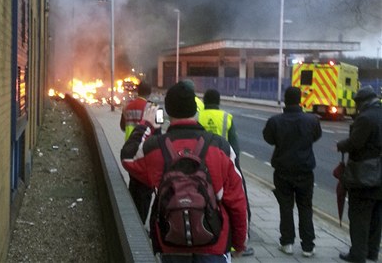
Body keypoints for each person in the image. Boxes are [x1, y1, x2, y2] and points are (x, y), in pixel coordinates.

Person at [121, 81, 248, 262]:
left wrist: (146, 124)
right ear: (196, 111)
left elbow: (128, 157)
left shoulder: (155, 148)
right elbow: (237, 202)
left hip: (170, 244)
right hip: (214, 246)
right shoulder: (221, 148)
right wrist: (240, 242)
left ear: (167, 113)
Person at [262, 86, 322, 258]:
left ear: (285, 100)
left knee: (285, 206)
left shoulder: (275, 121)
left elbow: (268, 138)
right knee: (305, 207)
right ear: (300, 100)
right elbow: (316, 136)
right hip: (305, 170)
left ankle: (287, 242)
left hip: (282, 170)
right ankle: (308, 246)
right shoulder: (312, 120)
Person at [198, 88, 254, 257]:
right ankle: (239, 240)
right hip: (223, 164)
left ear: (204, 101)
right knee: (237, 203)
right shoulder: (225, 118)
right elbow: (235, 148)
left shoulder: (198, 116)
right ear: (219, 101)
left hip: (201, 164)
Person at [336, 85, 382, 263]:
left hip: (365, 176)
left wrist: (340, 145)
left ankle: (358, 254)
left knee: (359, 216)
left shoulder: (365, 118)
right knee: (377, 216)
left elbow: (356, 143)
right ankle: (372, 252)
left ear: (362, 102)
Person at [119, 81, 154, 223]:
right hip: (146, 152)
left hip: (129, 150)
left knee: (133, 184)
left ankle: (132, 216)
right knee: (145, 189)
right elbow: (158, 131)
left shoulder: (127, 106)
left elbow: (122, 126)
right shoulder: (153, 108)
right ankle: (141, 220)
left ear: (137, 91)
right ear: (149, 92)